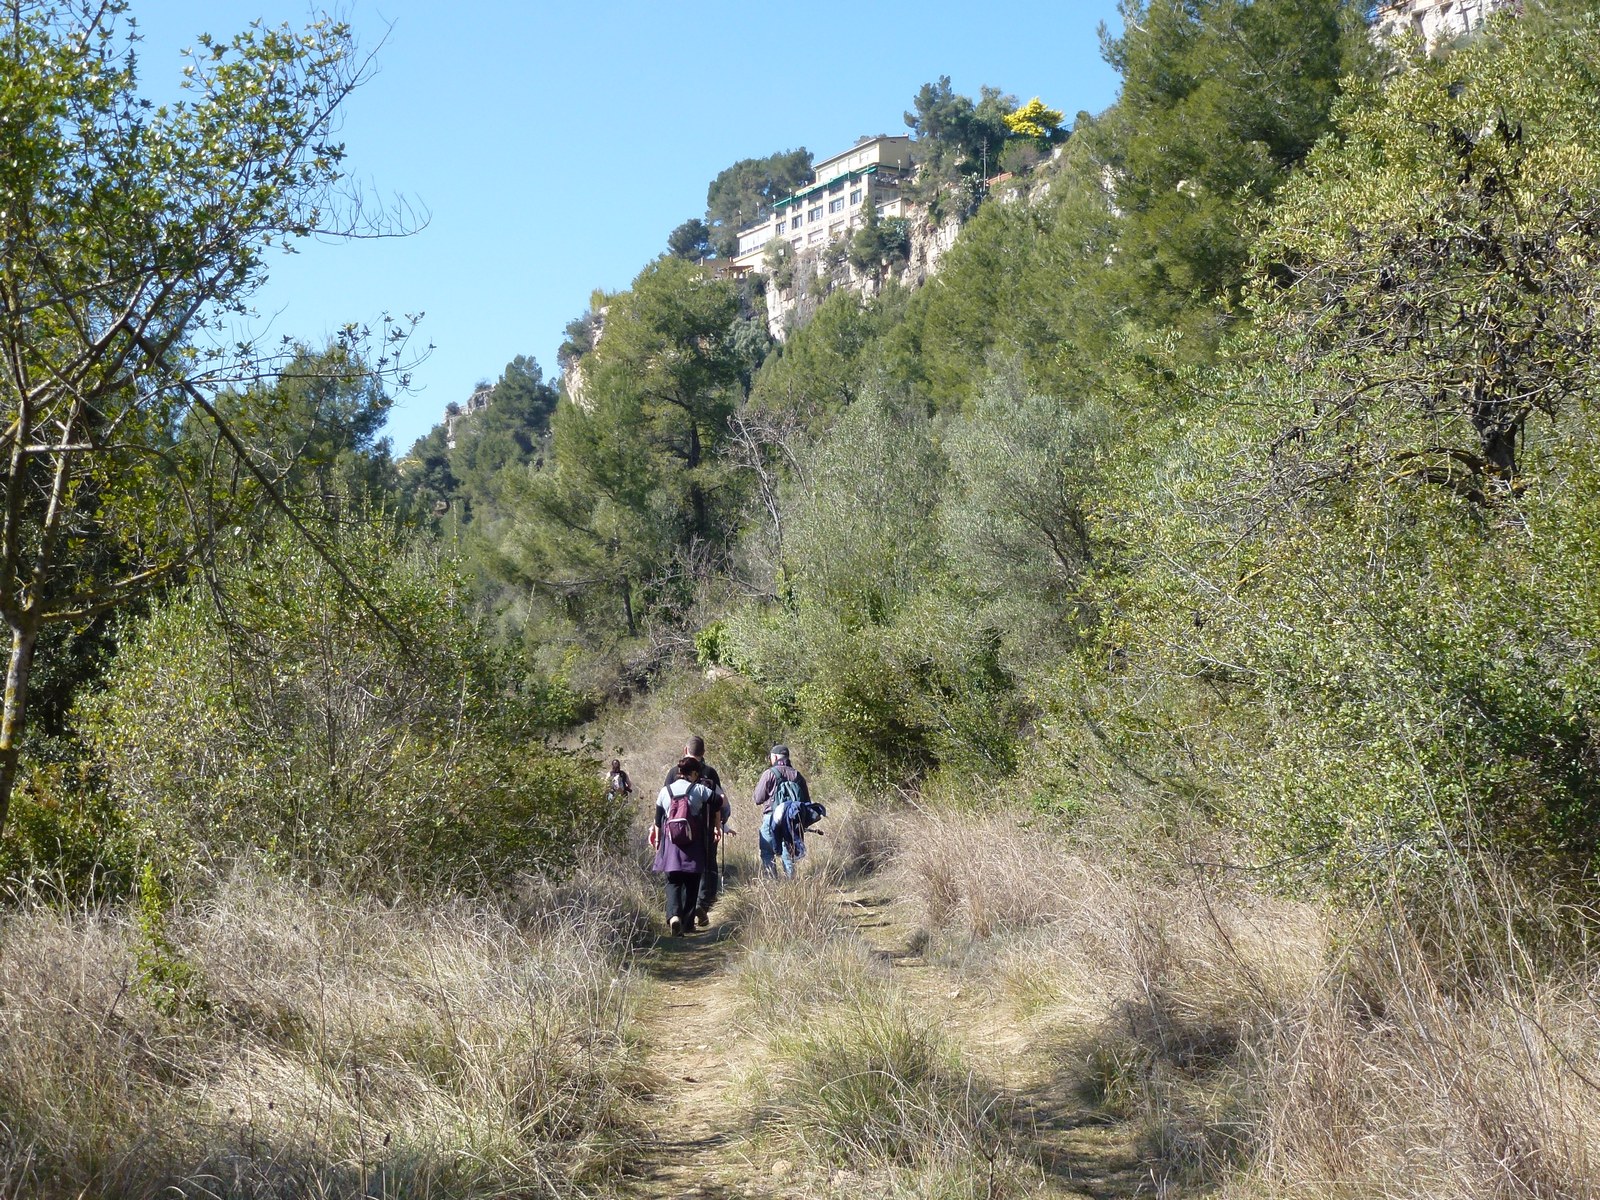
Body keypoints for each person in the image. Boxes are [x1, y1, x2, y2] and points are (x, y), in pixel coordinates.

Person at [664, 735, 731, 926]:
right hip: (705, 830)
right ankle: (702, 905)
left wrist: (659, 830)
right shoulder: (710, 773)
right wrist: (720, 824)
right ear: (703, 752)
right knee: (706, 867)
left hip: (677, 832)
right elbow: (721, 802)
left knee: (680, 870)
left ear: (685, 750)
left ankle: (679, 914)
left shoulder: (673, 772)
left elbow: (665, 802)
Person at [650, 757, 717, 935]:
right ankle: (687, 924)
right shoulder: (699, 789)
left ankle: (674, 917)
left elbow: (658, 819)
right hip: (693, 843)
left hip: (671, 844)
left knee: (673, 881)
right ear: (693, 773)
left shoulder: (665, 791)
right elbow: (719, 801)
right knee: (692, 883)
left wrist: (657, 840)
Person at [753, 744, 811, 879]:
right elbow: (806, 802)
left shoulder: (769, 774)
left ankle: (772, 884)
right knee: (788, 854)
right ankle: (791, 885)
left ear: (774, 757)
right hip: (792, 820)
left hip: (771, 817)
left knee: (767, 852)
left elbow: (757, 798)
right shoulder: (798, 775)